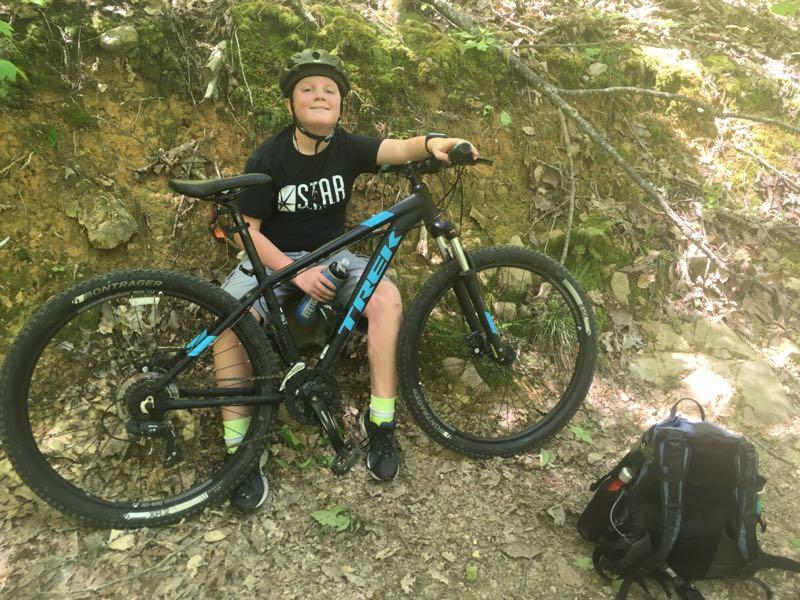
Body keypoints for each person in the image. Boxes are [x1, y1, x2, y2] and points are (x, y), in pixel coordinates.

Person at [214, 49, 479, 511]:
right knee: (227, 323)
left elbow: (397, 149)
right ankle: (239, 451)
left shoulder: (347, 147)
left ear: (340, 105)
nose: (320, 95)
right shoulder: (270, 157)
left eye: (329, 90)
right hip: (275, 261)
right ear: (291, 105)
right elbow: (247, 236)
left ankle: (382, 425)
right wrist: (297, 275)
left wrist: (437, 142)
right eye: (307, 89)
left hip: (333, 258)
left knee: (387, 300)